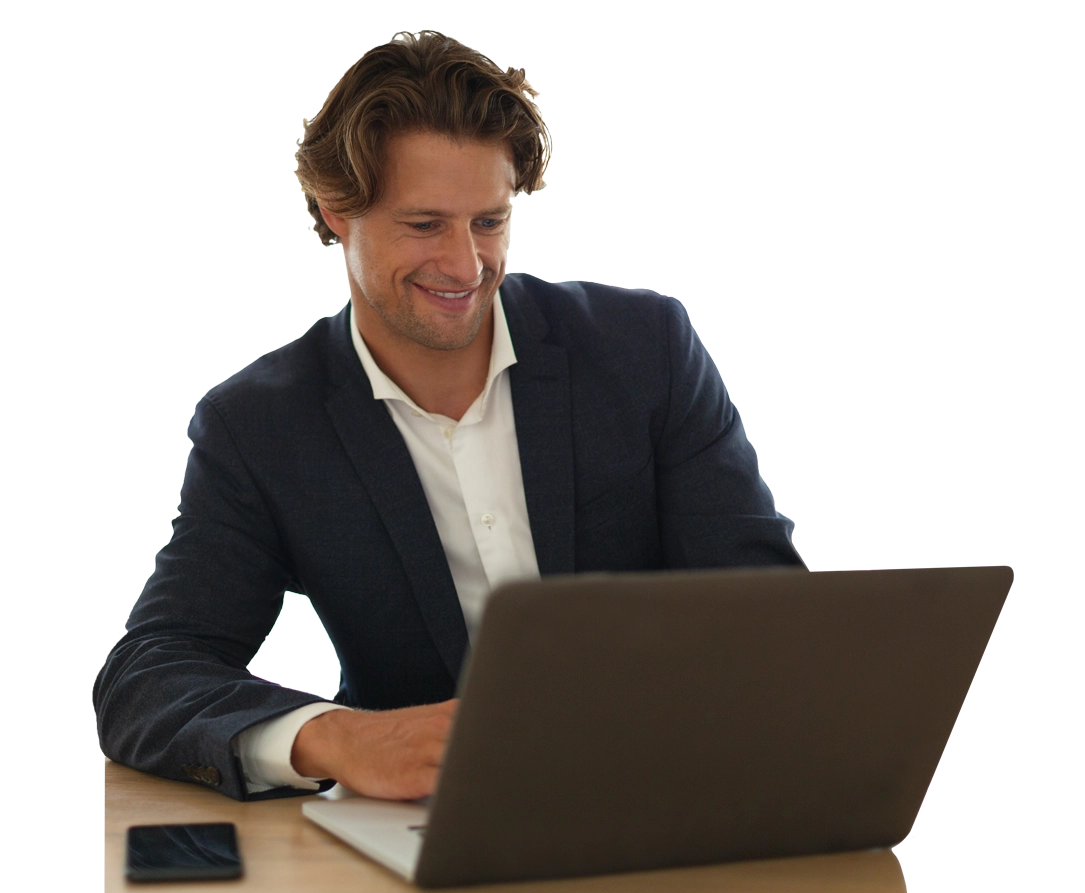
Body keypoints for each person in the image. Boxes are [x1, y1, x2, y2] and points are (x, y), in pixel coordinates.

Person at [93, 29, 804, 804]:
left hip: (677, 798)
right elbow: (149, 674)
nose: (466, 267)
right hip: (441, 833)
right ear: (336, 211)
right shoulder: (261, 428)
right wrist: (336, 735)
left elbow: (765, 613)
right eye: (424, 224)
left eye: (489, 222)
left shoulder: (645, 350)